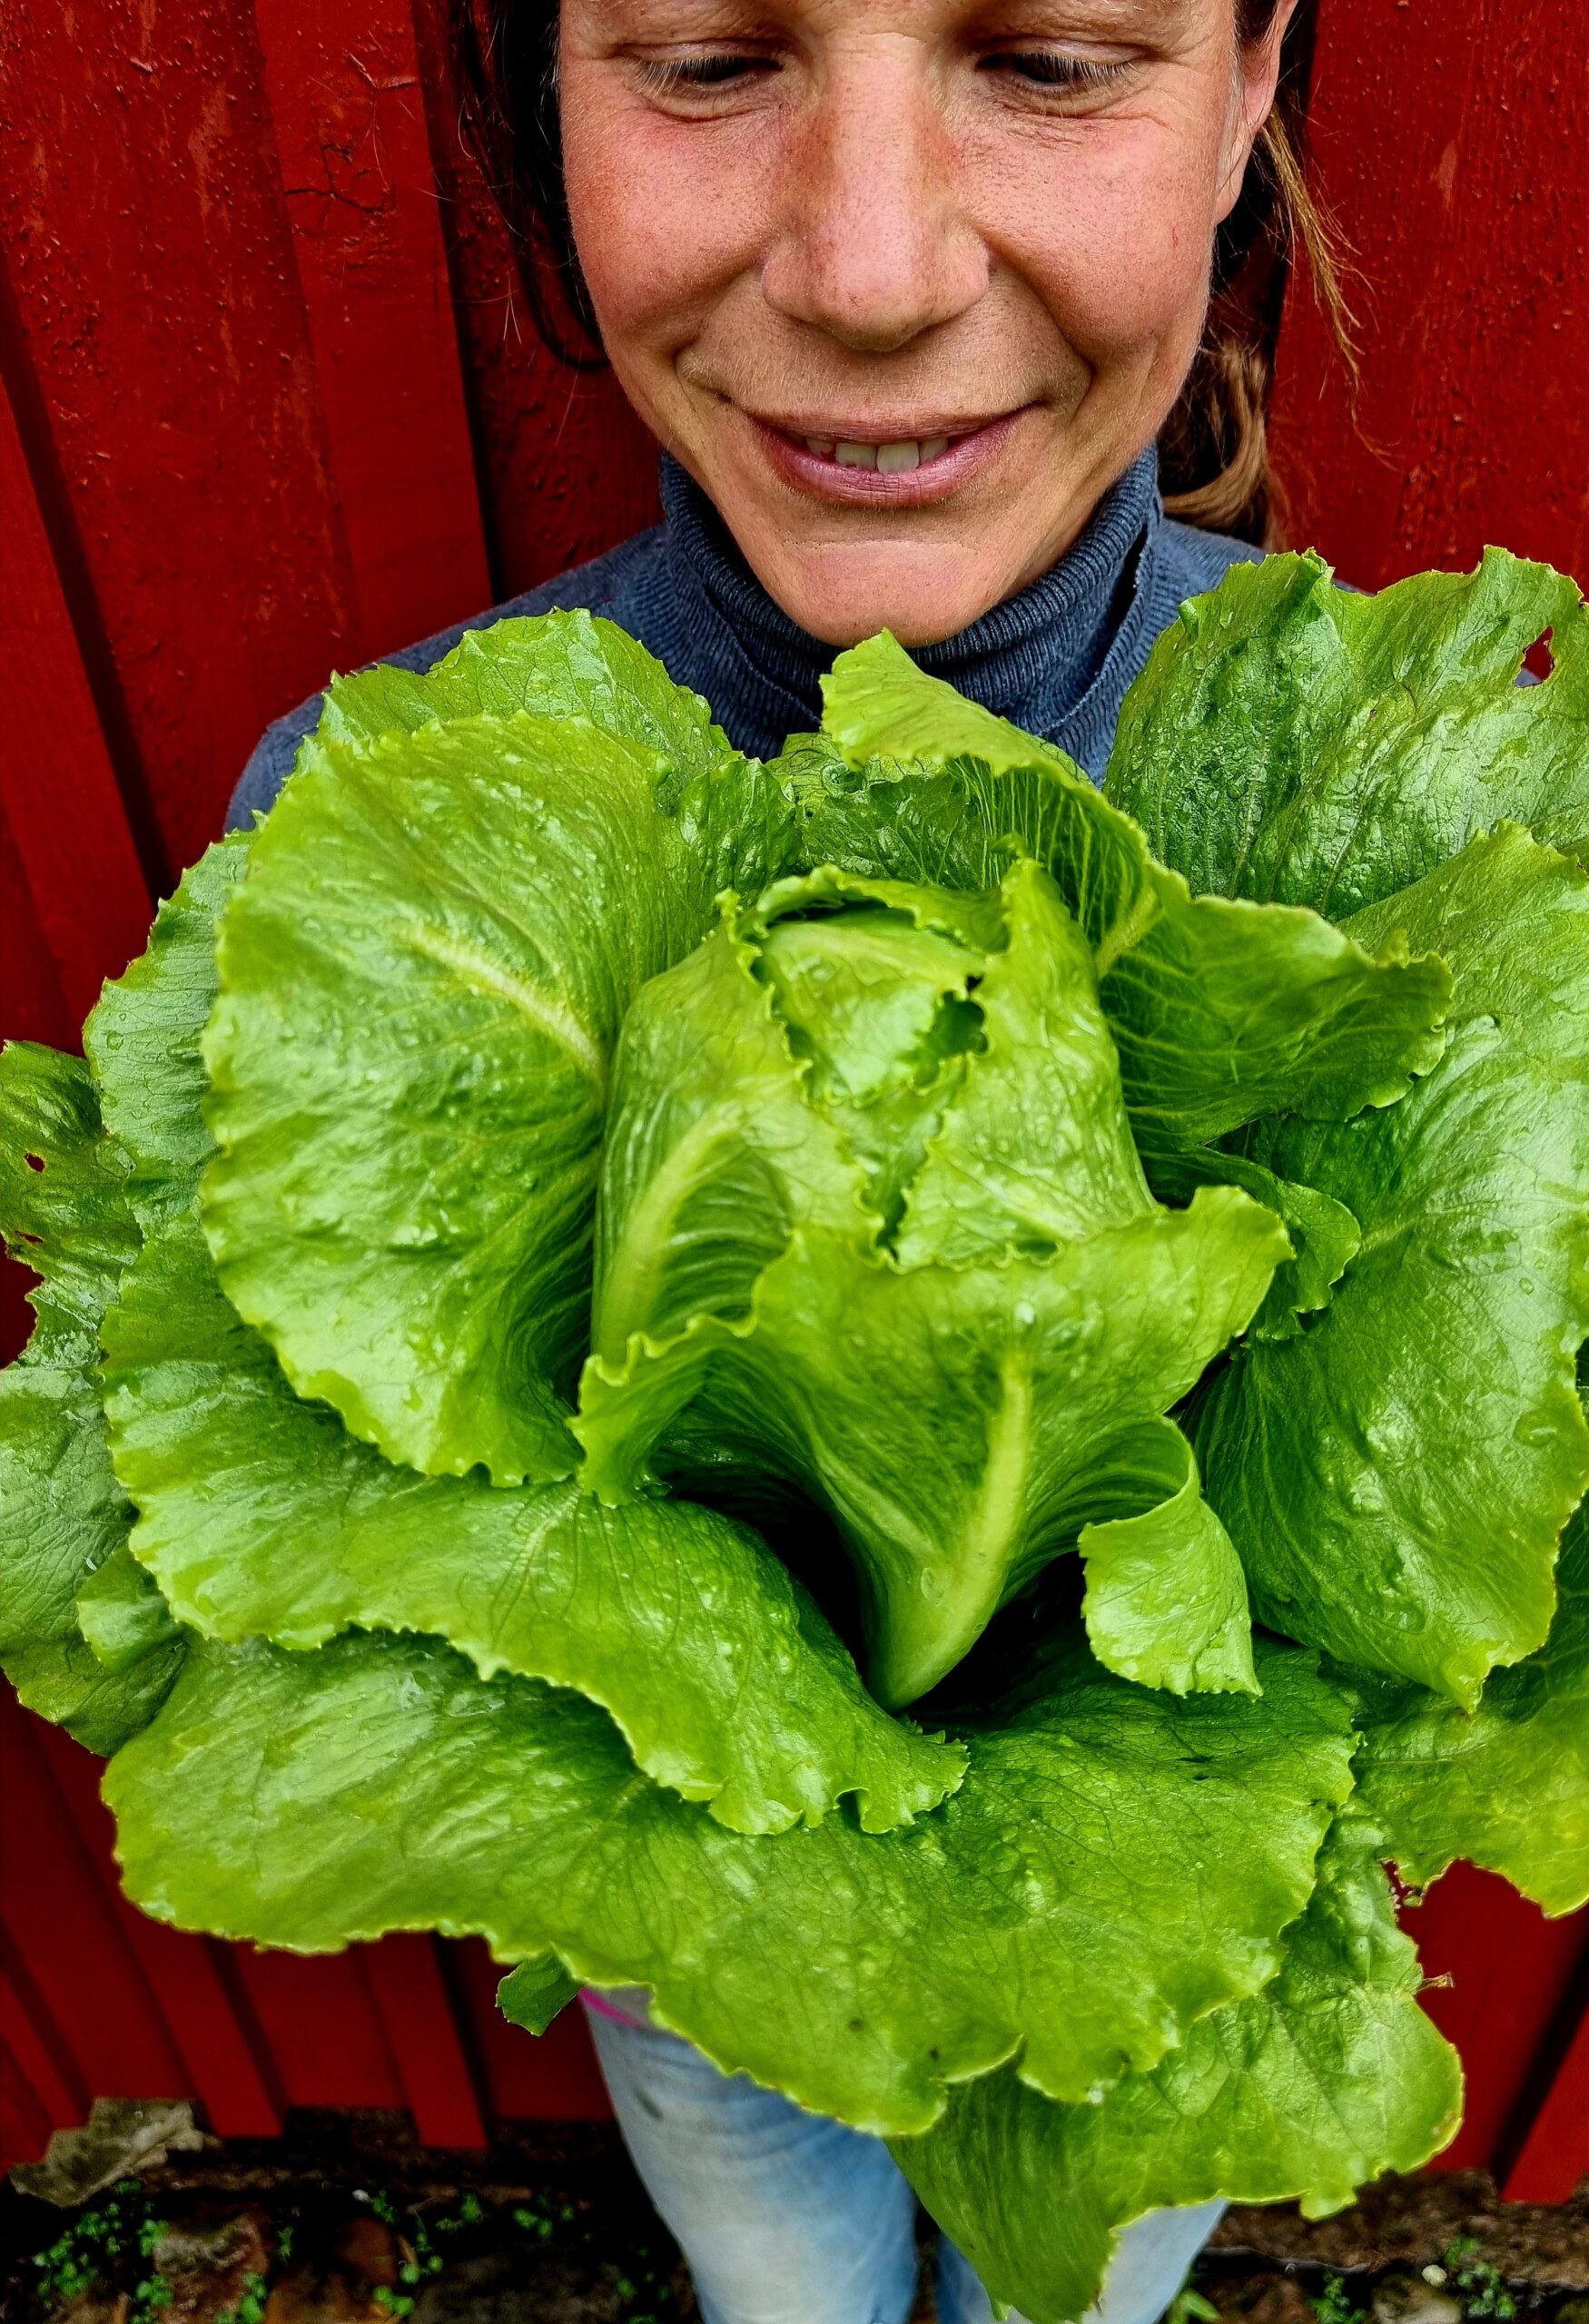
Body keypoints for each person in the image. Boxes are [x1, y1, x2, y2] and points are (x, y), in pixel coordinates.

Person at [231, 5, 1343, 2317]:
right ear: (542, 95)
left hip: (1142, 1928)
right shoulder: (374, 859)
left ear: (1251, 82)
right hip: (695, 1970)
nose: (869, 267)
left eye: (1050, 57)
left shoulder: (1392, 858)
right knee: (776, 2254)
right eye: (715, 54)